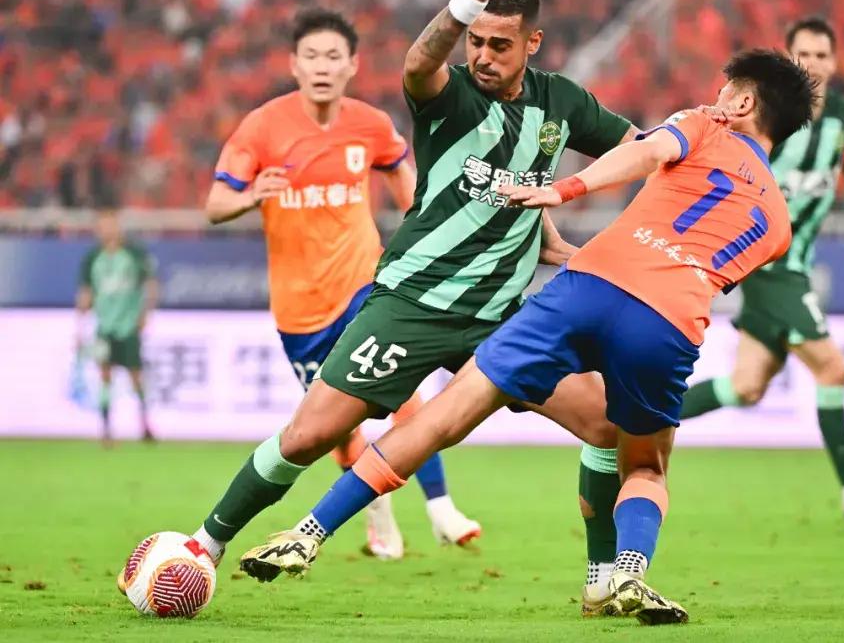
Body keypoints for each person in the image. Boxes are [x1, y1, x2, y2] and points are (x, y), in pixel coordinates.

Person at [238, 48, 814, 626]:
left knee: (445, 414)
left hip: (589, 286)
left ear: (744, 102)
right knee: (644, 466)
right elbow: (712, 264)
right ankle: (626, 571)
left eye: (725, 93)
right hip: (668, 323)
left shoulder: (700, 127)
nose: (716, 101)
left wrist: (567, 189)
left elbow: (646, 151)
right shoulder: (779, 225)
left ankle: (310, 531)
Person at [182, 0, 637, 588]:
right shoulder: (448, 94)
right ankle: (206, 544)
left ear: (532, 43)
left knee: (605, 421)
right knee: (308, 436)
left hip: (500, 317)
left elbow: (641, 149)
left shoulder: (563, 103)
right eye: (475, 41)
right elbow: (420, 61)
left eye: (499, 45)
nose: (482, 55)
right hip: (411, 303)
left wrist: (609, 199)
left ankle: (603, 577)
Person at [196, 8, 480, 564]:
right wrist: (252, 196)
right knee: (334, 430)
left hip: (364, 285)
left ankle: (441, 507)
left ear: (352, 65)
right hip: (300, 311)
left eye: (333, 57)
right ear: (294, 65)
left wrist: (425, 235)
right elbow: (215, 204)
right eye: (312, 56)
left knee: (406, 395)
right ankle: (379, 512)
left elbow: (403, 175)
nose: (322, 67)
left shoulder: (369, 124)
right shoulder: (262, 126)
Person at [679, 18, 844, 524]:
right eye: (804, 54)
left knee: (746, 386)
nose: (814, 64)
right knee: (834, 369)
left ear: (835, 62)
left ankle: (633, 421)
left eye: (823, 55)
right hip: (768, 263)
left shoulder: (843, 117)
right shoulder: (772, 117)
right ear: (789, 58)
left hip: (795, 264)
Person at [76, 209, 158, 445]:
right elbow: (86, 292)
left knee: (135, 376)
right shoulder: (93, 258)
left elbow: (150, 284)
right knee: (104, 375)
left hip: (128, 326)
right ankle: (106, 429)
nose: (107, 230)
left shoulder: (133, 254)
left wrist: (145, 313)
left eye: (111, 225)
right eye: (103, 226)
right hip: (104, 327)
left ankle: (145, 425)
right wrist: (80, 325)